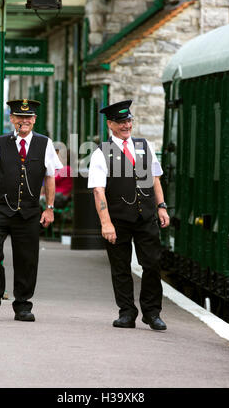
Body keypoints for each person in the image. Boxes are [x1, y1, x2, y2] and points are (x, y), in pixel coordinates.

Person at [0, 98, 63, 322]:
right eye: (19, 117)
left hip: (30, 210)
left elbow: (50, 177)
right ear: (12, 119)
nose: (24, 121)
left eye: (28, 117)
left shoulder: (45, 143)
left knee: (27, 258)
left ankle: (23, 305)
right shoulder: (0, 143)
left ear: (34, 120)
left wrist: (49, 208)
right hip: (1, 207)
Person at [88, 100, 169, 331]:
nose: (127, 125)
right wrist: (106, 223)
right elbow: (98, 190)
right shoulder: (101, 153)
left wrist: (161, 206)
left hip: (146, 217)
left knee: (152, 264)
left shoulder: (145, 146)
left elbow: (155, 179)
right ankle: (126, 312)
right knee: (120, 267)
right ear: (110, 124)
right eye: (121, 122)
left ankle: (152, 313)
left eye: (129, 121)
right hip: (118, 220)